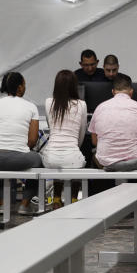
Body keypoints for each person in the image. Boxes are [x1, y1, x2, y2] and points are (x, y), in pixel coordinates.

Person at [0, 72, 42, 215]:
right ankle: (25, 204)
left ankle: (3, 204)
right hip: (20, 158)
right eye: (24, 84)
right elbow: (33, 139)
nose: (25, 87)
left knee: (1, 168)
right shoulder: (31, 107)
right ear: (20, 87)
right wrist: (20, 148)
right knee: (39, 160)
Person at [42, 69, 88, 208]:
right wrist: (73, 148)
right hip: (73, 157)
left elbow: (51, 127)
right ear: (74, 85)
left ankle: (56, 199)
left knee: (58, 162)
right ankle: (73, 199)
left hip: (50, 159)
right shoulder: (81, 104)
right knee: (74, 160)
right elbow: (81, 133)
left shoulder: (49, 102)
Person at [89, 73, 137, 172]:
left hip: (105, 162)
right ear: (131, 92)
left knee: (95, 155)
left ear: (113, 92)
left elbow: (94, 141)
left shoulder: (100, 107)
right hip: (135, 162)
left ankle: (102, 188)